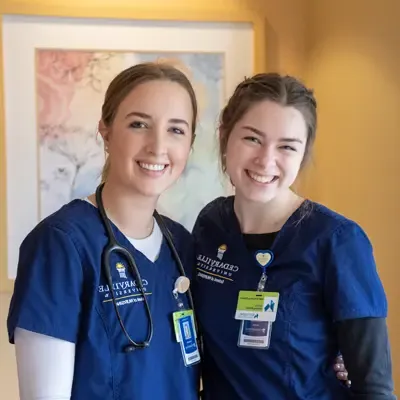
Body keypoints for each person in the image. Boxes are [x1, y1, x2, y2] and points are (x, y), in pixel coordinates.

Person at [192, 73, 396, 399]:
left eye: (286, 146)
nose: (266, 159)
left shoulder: (338, 241)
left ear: (302, 154)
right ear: (224, 137)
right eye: (252, 139)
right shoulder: (210, 225)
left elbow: (375, 387)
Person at [7, 62, 202, 400]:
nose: (158, 146)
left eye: (176, 130)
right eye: (139, 124)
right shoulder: (61, 244)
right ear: (106, 131)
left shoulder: (181, 245)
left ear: (190, 144)